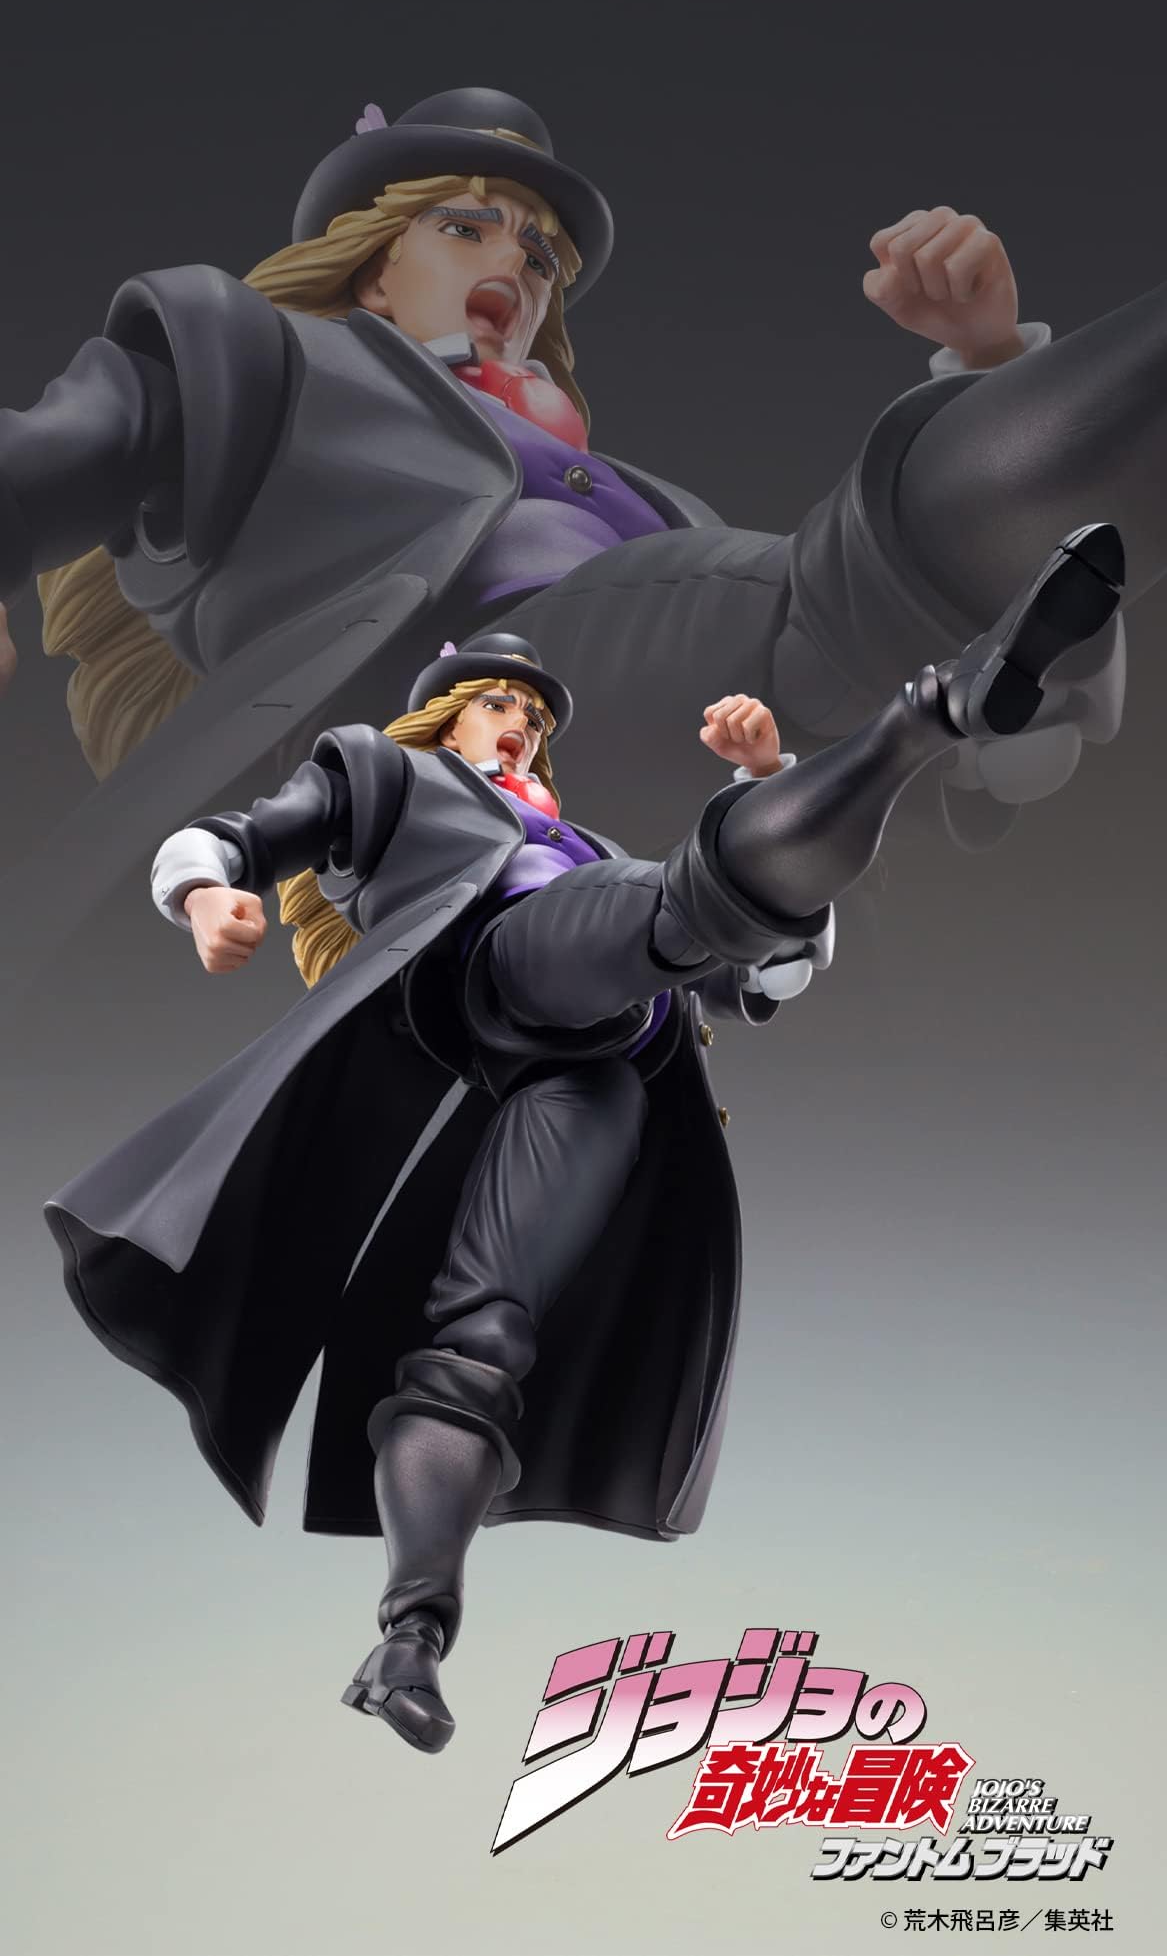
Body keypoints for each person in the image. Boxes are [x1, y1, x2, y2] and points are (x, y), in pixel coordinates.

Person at [44, 521, 1122, 1754]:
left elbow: (763, 980)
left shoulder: (589, 851)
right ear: (444, 718)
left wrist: (759, 788)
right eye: (496, 703)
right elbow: (234, 835)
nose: (519, 724)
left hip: (598, 1073)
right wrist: (203, 897)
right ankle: (935, 715)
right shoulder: (393, 779)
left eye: (534, 715)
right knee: (674, 901)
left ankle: (408, 1634)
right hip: (502, 978)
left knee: (478, 1342)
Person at [0, 86, 1127, 924]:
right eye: (466, 226)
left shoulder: (660, 506)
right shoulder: (276, 361)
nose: (519, 264)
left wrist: (987, 355)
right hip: (461, 709)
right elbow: (82, 441)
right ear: (375, 269)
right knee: (813, 610)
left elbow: (936, 755)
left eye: (540, 256)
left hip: (691, 816)